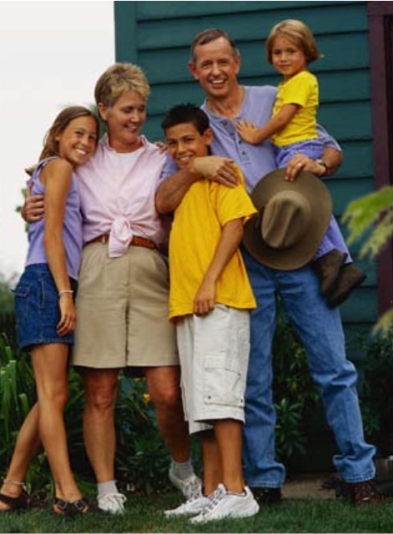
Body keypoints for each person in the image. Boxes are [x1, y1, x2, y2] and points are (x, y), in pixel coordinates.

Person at [155, 28, 379, 506]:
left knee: (333, 367)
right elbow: (163, 199)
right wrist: (193, 167)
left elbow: (331, 148)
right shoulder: (193, 130)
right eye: (205, 65)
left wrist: (321, 166)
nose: (215, 71)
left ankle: (359, 474)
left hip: (298, 251)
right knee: (252, 379)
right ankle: (263, 480)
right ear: (194, 72)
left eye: (223, 61)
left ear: (236, 61)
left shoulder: (274, 98)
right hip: (241, 263)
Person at [22, 63, 198, 515]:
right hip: (97, 265)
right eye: (125, 109)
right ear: (104, 110)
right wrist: (28, 206)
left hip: (147, 264)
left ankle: (181, 468)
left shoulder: (159, 157)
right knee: (101, 390)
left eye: (140, 109)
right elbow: (49, 198)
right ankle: (106, 487)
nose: (135, 117)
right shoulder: (82, 158)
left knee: (166, 389)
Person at [0, 106, 98, 517]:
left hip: (48, 281)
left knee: (51, 394)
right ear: (57, 134)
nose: (86, 142)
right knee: (52, 394)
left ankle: (10, 489)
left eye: (92, 136)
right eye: (78, 133)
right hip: (46, 282)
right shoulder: (58, 168)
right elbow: (52, 235)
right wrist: (64, 293)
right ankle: (66, 492)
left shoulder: (50, 169)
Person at [160, 103, 260, 523]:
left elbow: (235, 227)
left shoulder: (225, 175)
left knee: (222, 398)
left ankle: (237, 491)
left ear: (205, 137)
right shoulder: (185, 185)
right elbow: (161, 202)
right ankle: (213, 490)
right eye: (174, 142)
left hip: (220, 300)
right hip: (188, 307)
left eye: (189, 140)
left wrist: (208, 282)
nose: (181, 148)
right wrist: (194, 166)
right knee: (200, 404)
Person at [235, 19, 366, 307]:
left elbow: (284, 118)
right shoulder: (289, 84)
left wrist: (256, 136)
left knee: (300, 205)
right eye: (277, 52)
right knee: (315, 206)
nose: (283, 58)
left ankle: (327, 255)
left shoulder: (302, 81)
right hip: (294, 145)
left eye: (291, 51)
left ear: (306, 52)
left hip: (297, 147)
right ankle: (346, 266)